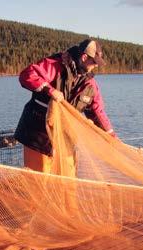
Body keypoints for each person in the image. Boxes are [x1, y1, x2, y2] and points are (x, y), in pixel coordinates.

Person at [14, 39, 116, 172]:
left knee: (68, 181)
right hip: (37, 135)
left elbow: (97, 111)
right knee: (38, 180)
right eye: (94, 62)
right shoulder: (55, 65)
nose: (96, 66)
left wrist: (111, 136)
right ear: (84, 57)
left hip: (64, 137)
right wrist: (49, 90)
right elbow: (27, 75)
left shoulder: (90, 84)